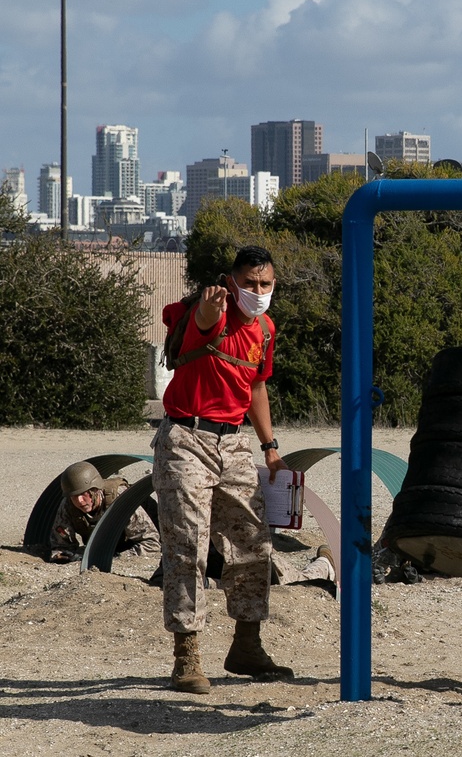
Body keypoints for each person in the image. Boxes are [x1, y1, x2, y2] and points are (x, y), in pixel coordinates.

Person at [153, 244, 294, 695]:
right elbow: (201, 326)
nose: (257, 291)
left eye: (265, 284)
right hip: (186, 439)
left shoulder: (265, 329)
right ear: (232, 281)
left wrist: (270, 447)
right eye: (249, 283)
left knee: (253, 539)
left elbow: (255, 386)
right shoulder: (209, 311)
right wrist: (211, 312)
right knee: (187, 544)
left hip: (233, 441)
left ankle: (246, 646)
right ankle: (187, 657)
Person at [47, 461, 160, 565]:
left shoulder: (120, 499)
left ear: (96, 490)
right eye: (74, 496)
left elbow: (151, 543)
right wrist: (68, 557)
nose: (80, 501)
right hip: (104, 547)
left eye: (85, 494)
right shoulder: (68, 505)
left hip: (133, 542)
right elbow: (60, 546)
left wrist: (116, 557)